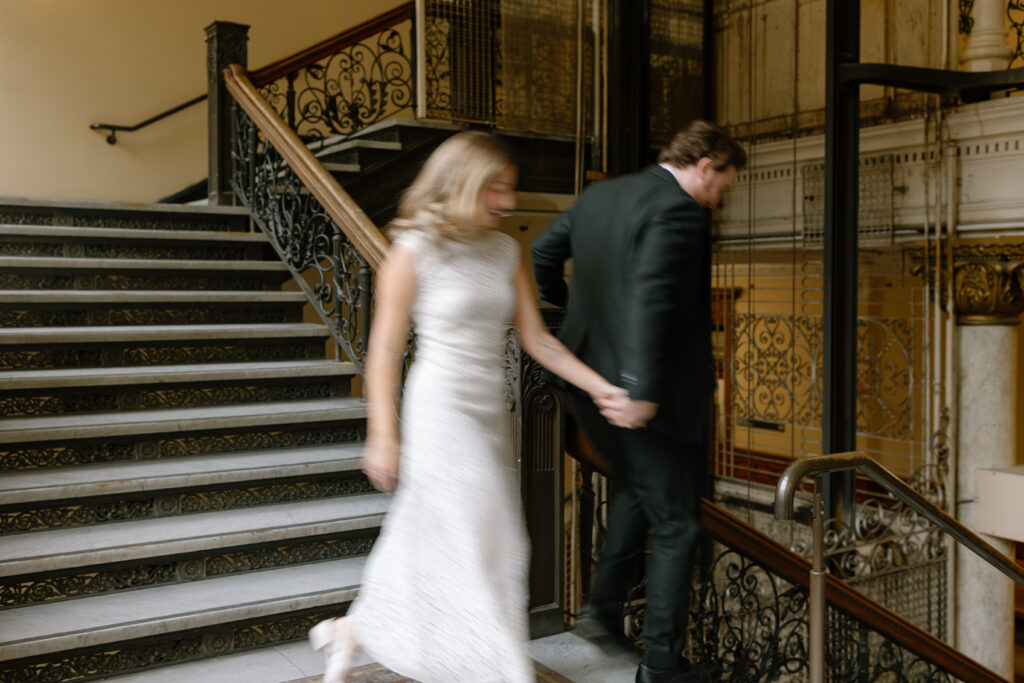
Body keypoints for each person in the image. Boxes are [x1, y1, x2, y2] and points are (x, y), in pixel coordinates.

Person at [309, 130, 631, 683]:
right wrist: (383, 433)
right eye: (496, 190)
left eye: (510, 189)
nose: (507, 202)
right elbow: (384, 349)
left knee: (441, 533)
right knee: (495, 540)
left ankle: (355, 629)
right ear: (460, 184)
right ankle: (502, 671)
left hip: (490, 412)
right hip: (439, 409)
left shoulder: (507, 249)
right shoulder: (412, 251)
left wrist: (599, 386)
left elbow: (539, 340)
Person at [531, 120, 747, 683]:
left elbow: (541, 254)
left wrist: (568, 311)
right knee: (676, 523)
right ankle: (660, 665)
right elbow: (651, 297)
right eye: (724, 182)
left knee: (635, 489)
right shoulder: (679, 210)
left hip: (583, 387)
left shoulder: (601, 195)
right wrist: (640, 390)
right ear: (706, 165)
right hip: (640, 397)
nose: (721, 196)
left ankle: (601, 611)